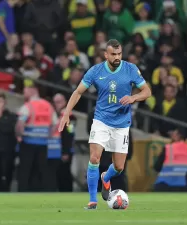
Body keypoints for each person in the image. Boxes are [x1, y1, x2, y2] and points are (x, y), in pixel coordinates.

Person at [58, 39, 151, 209]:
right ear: (106, 55)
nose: (117, 57)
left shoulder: (130, 69)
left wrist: (133, 97)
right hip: (101, 120)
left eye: (119, 54)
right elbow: (78, 92)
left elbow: (147, 91)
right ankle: (92, 200)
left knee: (119, 167)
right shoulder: (96, 71)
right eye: (113, 54)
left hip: (122, 123)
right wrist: (66, 112)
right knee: (94, 158)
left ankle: (105, 178)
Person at [15, 85, 58, 192]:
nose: (24, 94)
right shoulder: (48, 105)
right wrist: (49, 135)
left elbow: (20, 124)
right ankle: (44, 192)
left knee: (25, 170)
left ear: (32, 91)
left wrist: (19, 135)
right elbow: (56, 124)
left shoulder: (28, 106)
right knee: (42, 170)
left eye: (25, 92)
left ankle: (23, 192)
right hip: (43, 143)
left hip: (28, 142)